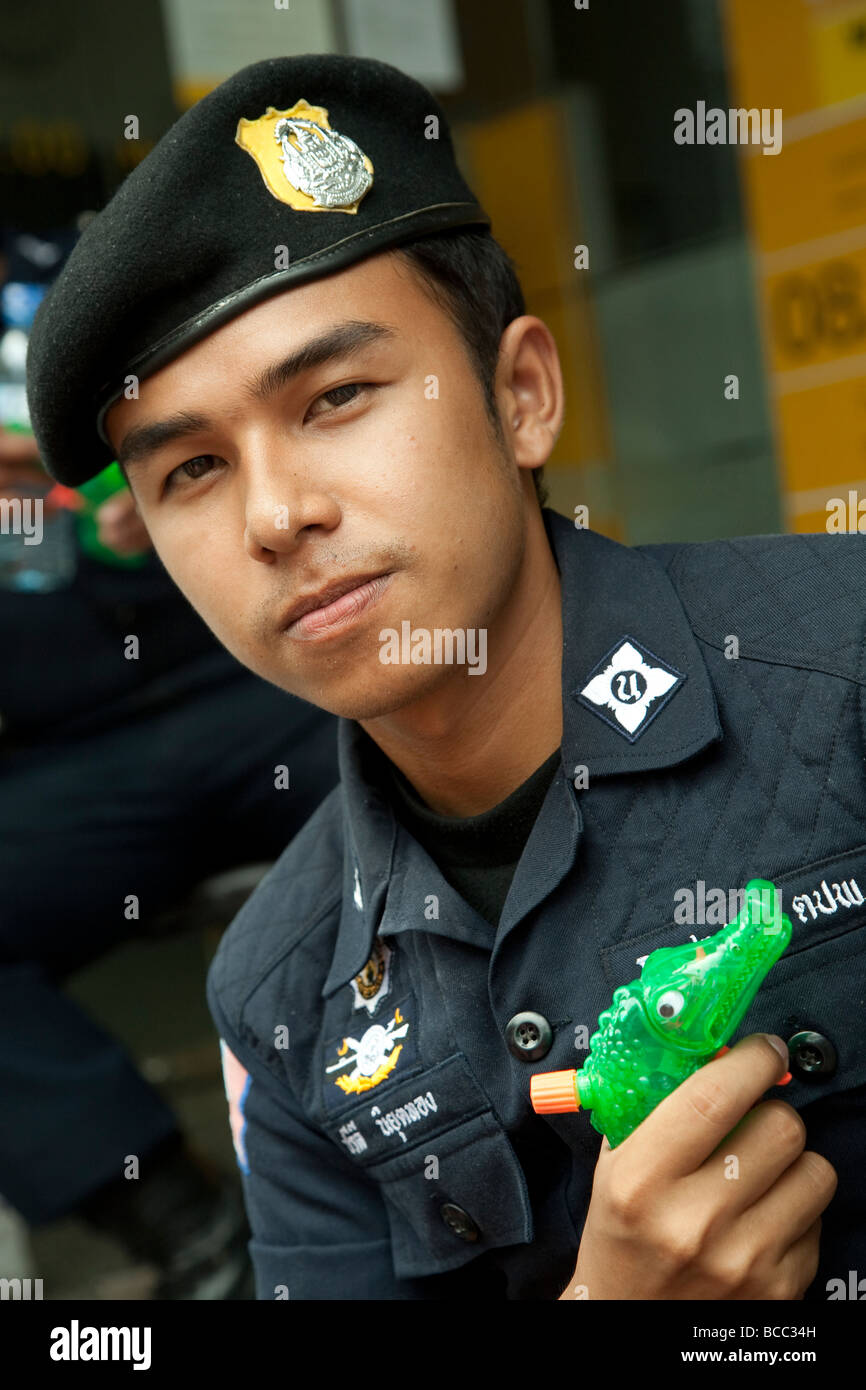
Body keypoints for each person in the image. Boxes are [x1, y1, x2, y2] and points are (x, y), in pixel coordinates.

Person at [25, 53, 863, 1302]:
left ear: (520, 394)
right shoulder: (280, 991)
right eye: (190, 469)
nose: (275, 514)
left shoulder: (837, 673)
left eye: (337, 395)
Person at [0, 233, 340, 1299]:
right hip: (68, 758)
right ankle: (190, 1232)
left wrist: (168, 478)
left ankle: (477, 1156)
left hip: (258, 681)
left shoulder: (82, 265)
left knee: (454, 765)